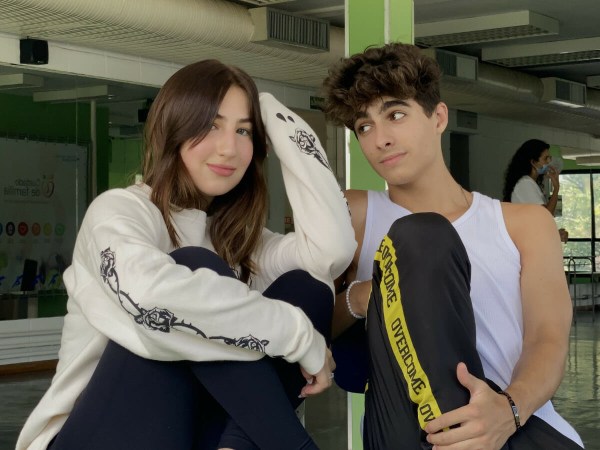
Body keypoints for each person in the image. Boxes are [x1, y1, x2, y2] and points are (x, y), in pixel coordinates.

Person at [17, 59, 356, 450]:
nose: (228, 148)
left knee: (307, 286)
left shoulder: (238, 238)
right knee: (195, 266)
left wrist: (273, 115)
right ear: (174, 128)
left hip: (187, 434)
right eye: (211, 125)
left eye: (243, 130)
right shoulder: (120, 211)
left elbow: (330, 254)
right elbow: (150, 299)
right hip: (95, 436)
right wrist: (297, 336)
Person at [321, 43, 583, 449]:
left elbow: (547, 339)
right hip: (409, 426)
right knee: (419, 235)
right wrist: (368, 294)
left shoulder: (525, 224)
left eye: (395, 115)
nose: (380, 139)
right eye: (364, 127)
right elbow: (308, 326)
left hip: (515, 422)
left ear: (438, 117)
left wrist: (508, 410)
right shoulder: (351, 213)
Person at [503, 139, 568, 242]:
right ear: (533, 162)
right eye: (545, 158)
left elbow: (538, 221)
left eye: (549, 158)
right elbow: (546, 215)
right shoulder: (525, 183)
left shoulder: (532, 183)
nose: (549, 162)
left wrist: (555, 234)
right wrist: (556, 189)